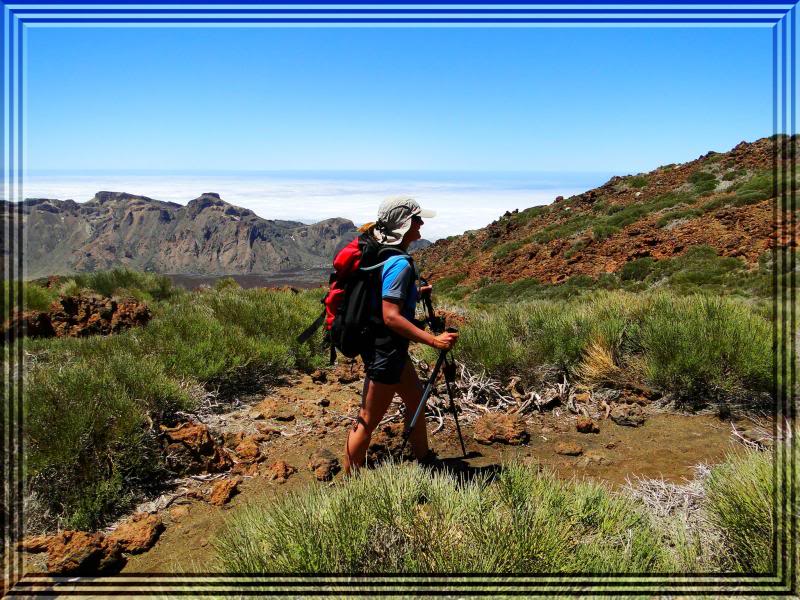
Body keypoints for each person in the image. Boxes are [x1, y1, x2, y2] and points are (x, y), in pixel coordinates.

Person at [343, 197, 459, 475]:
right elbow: (390, 316)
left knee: (416, 401)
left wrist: (415, 293)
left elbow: (379, 297)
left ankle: (424, 459)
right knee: (368, 419)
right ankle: (348, 483)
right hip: (385, 349)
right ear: (404, 224)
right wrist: (433, 340)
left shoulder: (381, 252)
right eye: (417, 219)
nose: (421, 224)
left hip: (388, 348)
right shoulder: (400, 264)